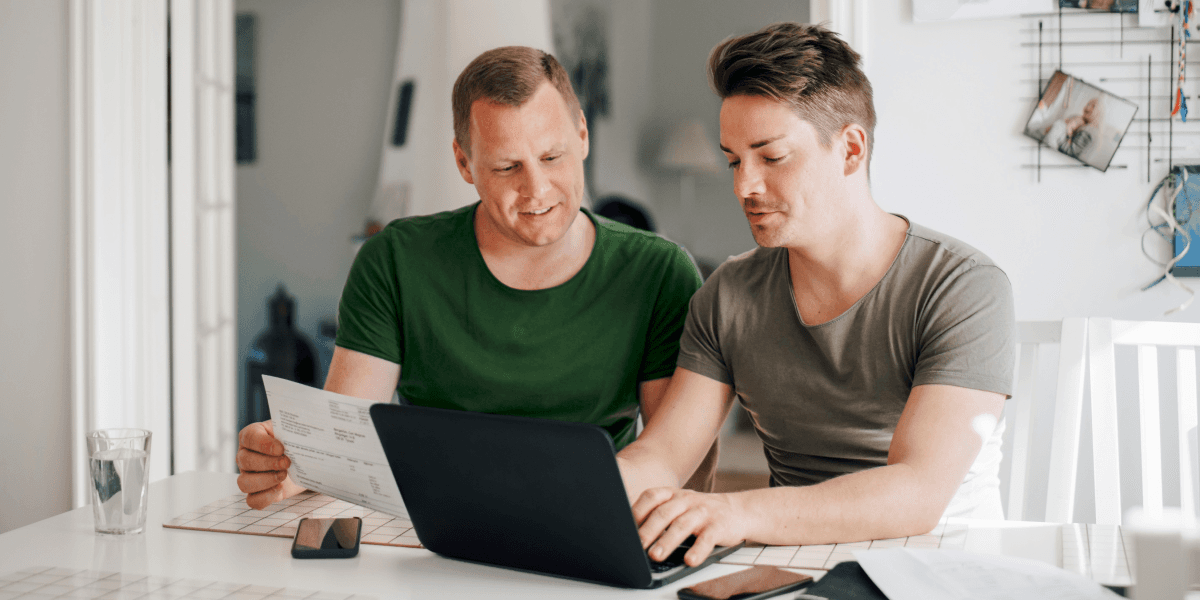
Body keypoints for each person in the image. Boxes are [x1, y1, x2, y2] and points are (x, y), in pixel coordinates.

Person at [235, 46, 717, 509]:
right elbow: (342, 444)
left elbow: (676, 465)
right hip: (431, 528)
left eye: (553, 157)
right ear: (465, 163)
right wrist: (287, 463)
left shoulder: (659, 273)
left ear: (583, 136)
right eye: (508, 167)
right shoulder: (395, 261)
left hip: (593, 518)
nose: (537, 189)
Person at [616, 22, 1015, 568]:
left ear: (850, 149)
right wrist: (579, 494)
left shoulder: (962, 286)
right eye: (734, 159)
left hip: (944, 566)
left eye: (771, 157)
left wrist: (734, 512)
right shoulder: (727, 295)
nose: (744, 187)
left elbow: (918, 493)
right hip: (791, 565)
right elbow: (664, 454)